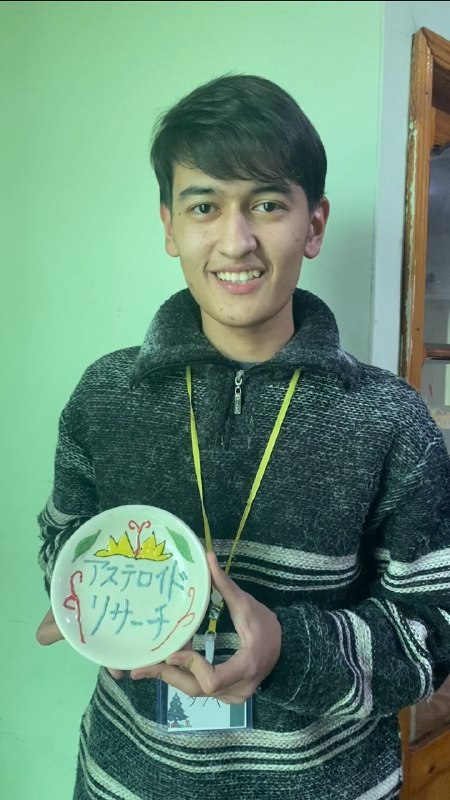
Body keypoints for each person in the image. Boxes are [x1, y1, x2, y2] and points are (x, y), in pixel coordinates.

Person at [36, 74, 450, 800]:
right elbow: (62, 540)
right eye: (205, 205)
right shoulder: (104, 396)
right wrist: (85, 593)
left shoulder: (391, 419)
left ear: (313, 224)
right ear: (170, 225)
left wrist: (288, 648)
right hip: (127, 780)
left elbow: (435, 632)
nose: (237, 241)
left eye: (267, 204)